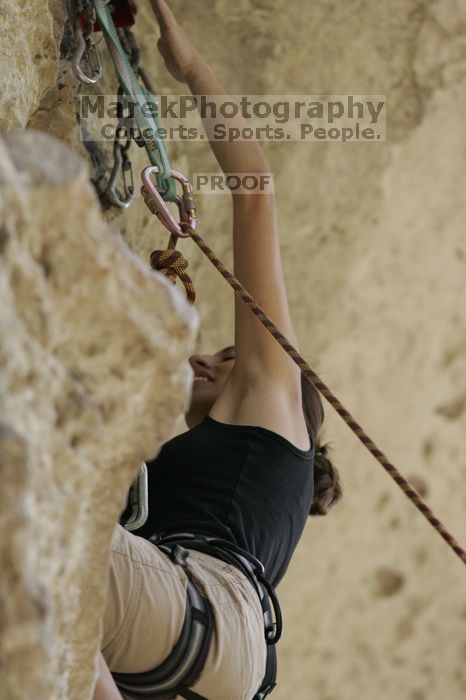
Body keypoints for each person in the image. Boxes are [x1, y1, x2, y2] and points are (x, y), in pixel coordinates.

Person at [93, 1, 343, 699]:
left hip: (202, 612)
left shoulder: (274, 399)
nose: (204, 360)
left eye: (225, 358)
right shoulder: (241, 482)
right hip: (200, 657)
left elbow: (254, 191)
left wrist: (194, 67)